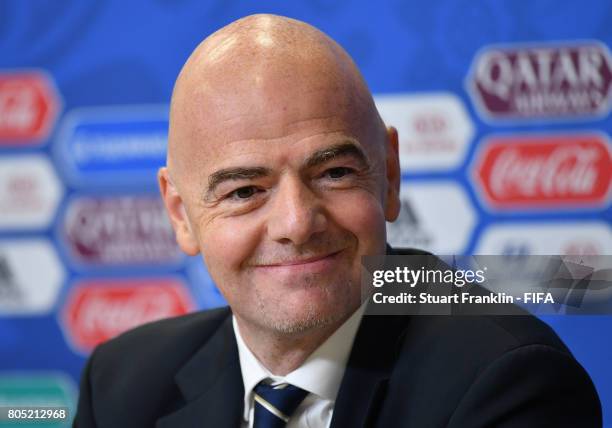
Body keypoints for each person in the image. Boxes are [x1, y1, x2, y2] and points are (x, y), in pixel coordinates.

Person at [73, 14, 602, 427]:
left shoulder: (509, 382)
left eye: (334, 173)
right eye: (245, 191)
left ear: (389, 177)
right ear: (181, 215)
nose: (297, 223)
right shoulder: (121, 383)